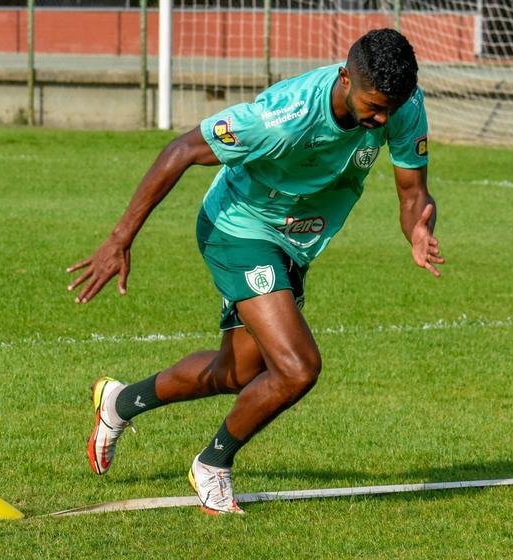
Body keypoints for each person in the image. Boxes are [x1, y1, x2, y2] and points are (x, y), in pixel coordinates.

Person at [67, 28, 444, 515]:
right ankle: (212, 463)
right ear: (345, 78)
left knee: (238, 372)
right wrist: (119, 240)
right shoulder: (282, 118)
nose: (382, 119)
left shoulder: (404, 106)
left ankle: (119, 402)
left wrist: (417, 228)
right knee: (297, 367)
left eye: (391, 108)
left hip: (295, 239)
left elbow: (413, 194)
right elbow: (181, 150)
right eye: (374, 107)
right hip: (239, 228)